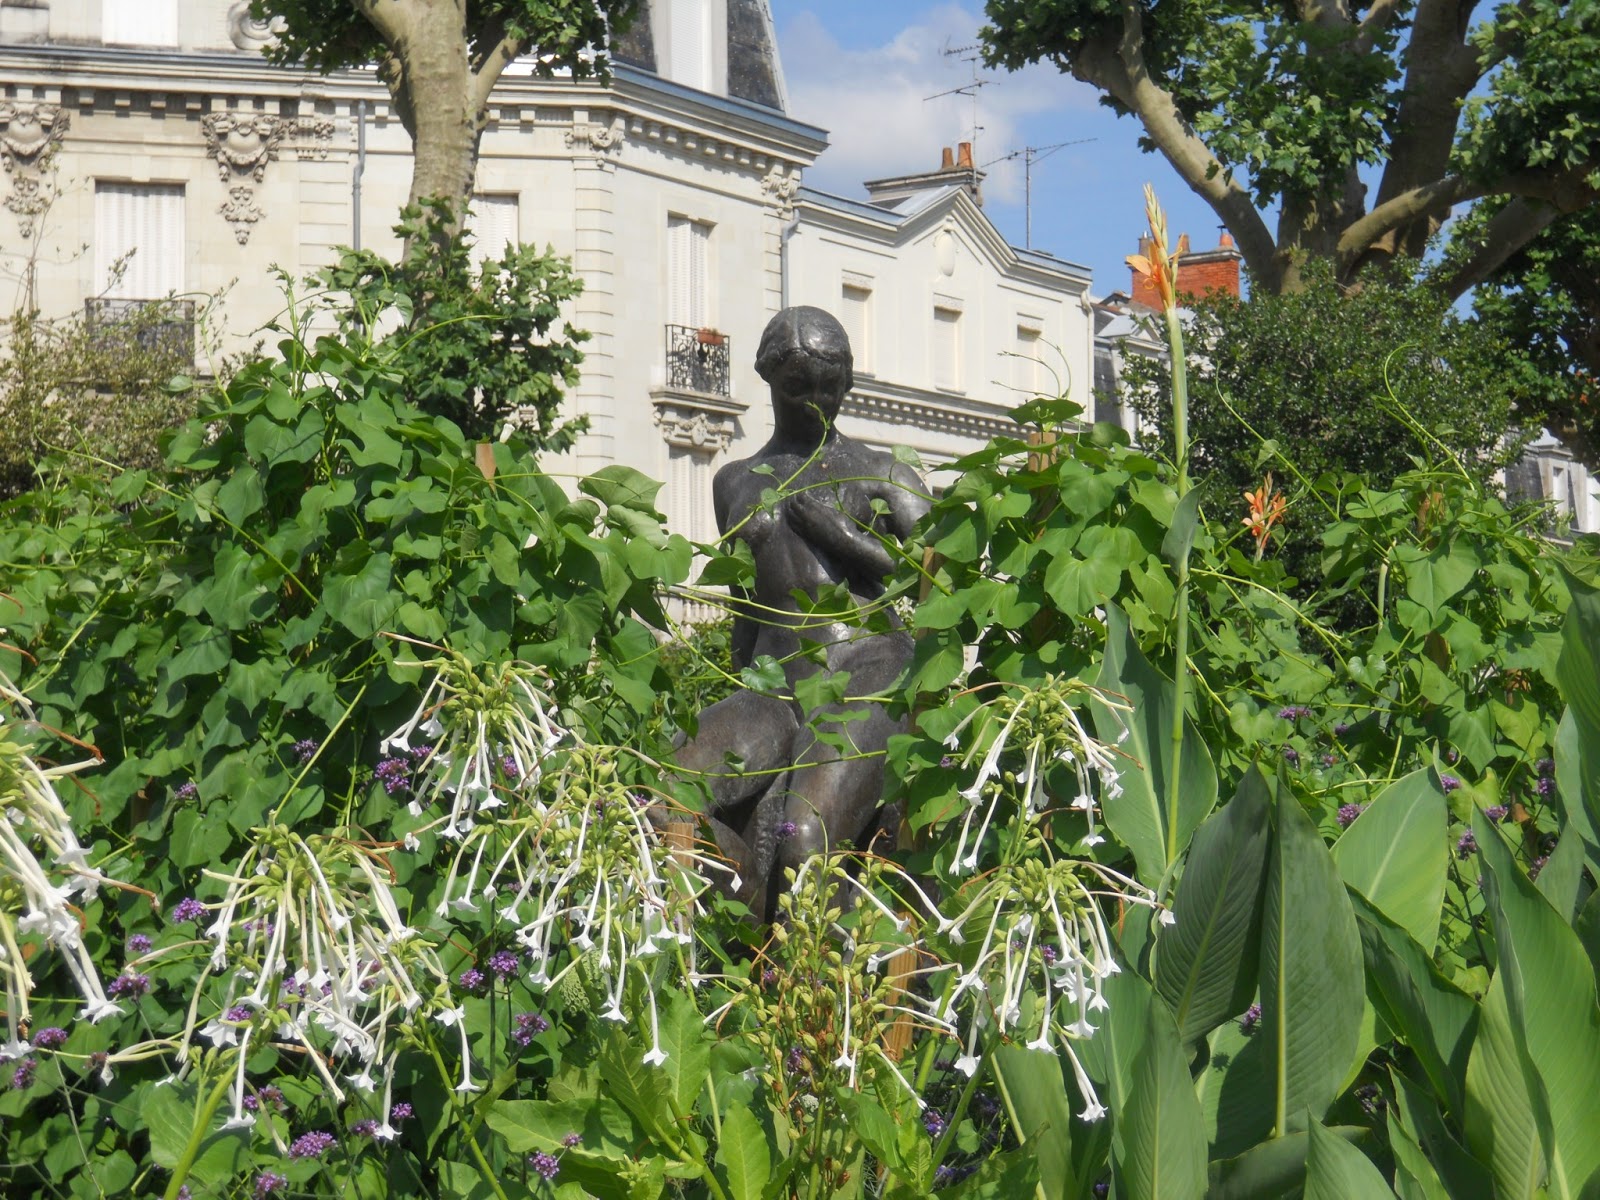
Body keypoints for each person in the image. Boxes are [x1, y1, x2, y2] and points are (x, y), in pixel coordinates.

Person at [670, 306, 930, 920]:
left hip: (868, 670)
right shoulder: (733, 481)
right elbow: (746, 605)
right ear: (768, 381)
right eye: (797, 390)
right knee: (665, 795)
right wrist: (735, 683)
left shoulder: (885, 474)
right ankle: (758, 938)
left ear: (847, 387)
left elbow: (938, 589)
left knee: (805, 840)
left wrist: (846, 537)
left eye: (830, 390)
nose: (816, 402)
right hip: (774, 681)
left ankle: (813, 997)